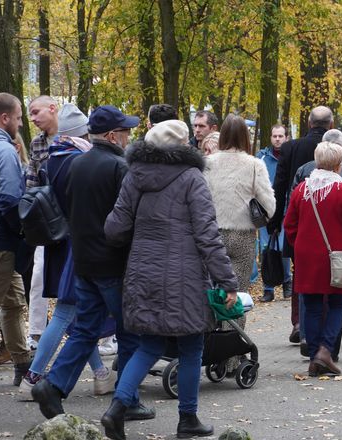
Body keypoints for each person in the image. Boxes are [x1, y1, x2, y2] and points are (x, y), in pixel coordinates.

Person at [100, 120, 238, 440]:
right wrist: (227, 281)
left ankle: (117, 409)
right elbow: (208, 235)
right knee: (191, 347)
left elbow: (114, 229)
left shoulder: (135, 176)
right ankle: (187, 419)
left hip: (143, 271)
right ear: (183, 145)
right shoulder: (192, 178)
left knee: (148, 345)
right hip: (183, 276)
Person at [32, 105, 155, 423]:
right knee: (130, 334)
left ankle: (53, 386)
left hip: (83, 260)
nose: (129, 137)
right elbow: (129, 219)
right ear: (113, 135)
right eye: (126, 132)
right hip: (113, 263)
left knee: (84, 330)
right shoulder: (120, 167)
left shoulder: (77, 164)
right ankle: (126, 401)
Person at [18, 104, 115, 400]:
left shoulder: (52, 159)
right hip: (79, 245)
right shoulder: (79, 160)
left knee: (80, 316)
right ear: (80, 133)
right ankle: (32, 378)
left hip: (60, 244)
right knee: (66, 313)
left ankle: (100, 375)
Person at [283, 141, 342, 376]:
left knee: (311, 305)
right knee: (338, 304)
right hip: (336, 257)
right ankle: (325, 350)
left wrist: (300, 243)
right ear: (339, 165)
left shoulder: (302, 190)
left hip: (307, 257)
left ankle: (313, 357)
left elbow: (289, 224)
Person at [203, 114, 275, 374]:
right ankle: (232, 356)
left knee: (212, 295)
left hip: (212, 235)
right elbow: (269, 205)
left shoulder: (207, 163)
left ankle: (210, 350)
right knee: (238, 295)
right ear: (246, 136)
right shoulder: (255, 165)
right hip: (243, 236)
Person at [267, 106, 335, 344]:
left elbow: (279, 185)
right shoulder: (335, 150)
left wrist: (274, 222)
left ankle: (299, 321)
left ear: (308, 122)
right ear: (331, 124)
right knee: (327, 274)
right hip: (329, 224)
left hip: (298, 220)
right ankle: (320, 324)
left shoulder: (290, 147)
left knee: (300, 273)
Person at [0, 92, 31, 385]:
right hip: (1, 243)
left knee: (15, 302)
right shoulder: (4, 151)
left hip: (1, 242)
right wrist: (22, 230)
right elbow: (9, 198)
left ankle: (22, 364)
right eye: (18, 118)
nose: (20, 123)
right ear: (5, 118)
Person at [25, 96, 59, 354]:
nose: (33, 119)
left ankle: (103, 337)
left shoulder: (78, 136)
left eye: (36, 112)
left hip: (74, 218)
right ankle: (36, 332)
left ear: (52, 108)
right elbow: (32, 181)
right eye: (30, 115)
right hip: (47, 219)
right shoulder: (37, 143)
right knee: (38, 276)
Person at [256, 124, 292, 302]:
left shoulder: (290, 156)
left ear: (286, 137)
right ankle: (268, 287)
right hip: (265, 212)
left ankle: (287, 282)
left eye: (281, 136)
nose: (277, 139)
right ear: (270, 138)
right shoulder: (261, 157)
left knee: (283, 248)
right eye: (274, 136)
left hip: (285, 210)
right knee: (266, 249)